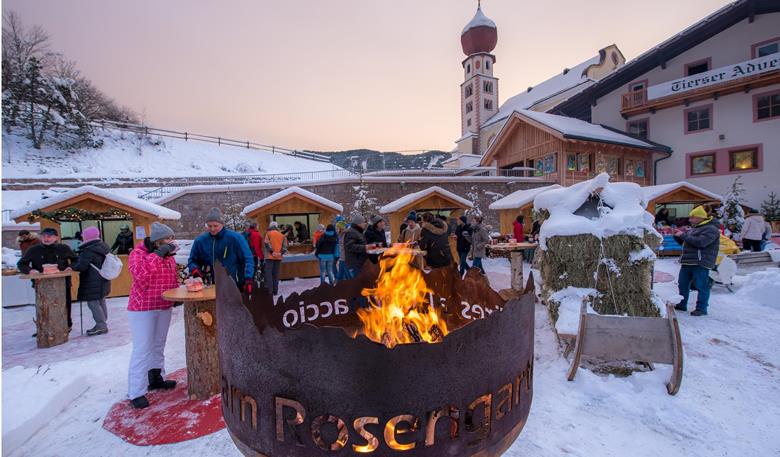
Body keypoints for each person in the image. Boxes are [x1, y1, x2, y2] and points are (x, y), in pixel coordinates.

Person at [126, 222, 180, 409]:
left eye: (172, 238)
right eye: (167, 239)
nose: (171, 242)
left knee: (159, 344)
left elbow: (171, 278)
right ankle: (136, 391)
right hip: (143, 308)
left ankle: (156, 377)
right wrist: (157, 255)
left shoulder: (169, 257)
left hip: (163, 305)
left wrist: (177, 294)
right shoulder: (138, 254)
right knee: (142, 349)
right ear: (157, 241)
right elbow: (142, 276)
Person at [17, 227, 76, 331]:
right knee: (43, 306)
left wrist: (71, 267)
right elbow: (21, 264)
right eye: (44, 236)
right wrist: (30, 270)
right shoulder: (34, 249)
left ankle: (66, 325)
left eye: (49, 236)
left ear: (56, 238)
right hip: (41, 285)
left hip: (62, 283)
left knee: (65, 305)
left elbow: (76, 260)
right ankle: (44, 328)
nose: (46, 238)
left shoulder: (64, 248)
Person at [187, 208, 254, 294]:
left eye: (215, 226)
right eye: (209, 226)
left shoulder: (235, 238)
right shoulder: (200, 241)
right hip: (209, 285)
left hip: (233, 284)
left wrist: (248, 278)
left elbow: (247, 258)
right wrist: (195, 270)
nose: (212, 229)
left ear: (222, 224)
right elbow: (192, 260)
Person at [673, 206, 720, 316]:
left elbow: (701, 243)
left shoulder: (711, 229)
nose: (690, 220)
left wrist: (683, 235)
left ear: (700, 217)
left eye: (692, 217)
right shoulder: (695, 228)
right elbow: (689, 243)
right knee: (683, 284)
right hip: (687, 262)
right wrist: (678, 236)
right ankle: (681, 304)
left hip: (700, 263)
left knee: (702, 286)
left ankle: (701, 308)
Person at [71, 227, 112, 336]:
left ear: (87, 236)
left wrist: (72, 265)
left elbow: (82, 266)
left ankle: (101, 325)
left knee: (93, 303)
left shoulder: (88, 250)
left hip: (92, 280)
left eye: (84, 235)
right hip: (103, 279)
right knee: (101, 300)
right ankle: (103, 321)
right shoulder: (103, 246)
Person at [263, 221, 288, 296]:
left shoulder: (268, 233)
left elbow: (266, 243)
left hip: (269, 257)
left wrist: (272, 252)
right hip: (278, 257)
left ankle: (270, 291)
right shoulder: (281, 235)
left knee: (269, 274)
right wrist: (280, 253)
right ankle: (275, 291)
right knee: (275, 274)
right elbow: (285, 247)